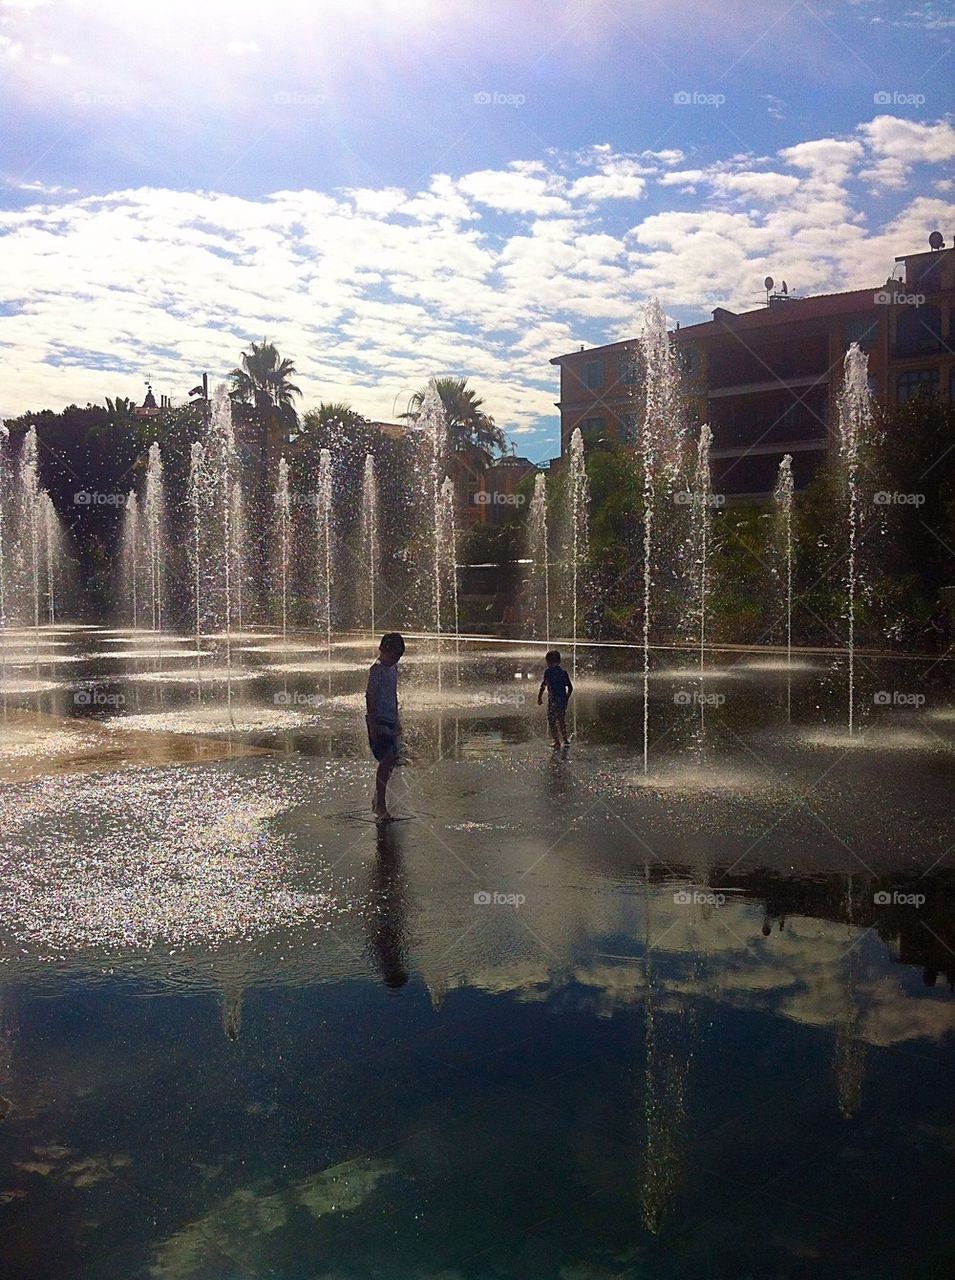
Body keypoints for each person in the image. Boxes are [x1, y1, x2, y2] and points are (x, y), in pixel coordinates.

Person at [366, 632, 405, 820]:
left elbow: (393, 694)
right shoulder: (377, 670)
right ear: (383, 650)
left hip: (390, 719)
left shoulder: (393, 668)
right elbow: (370, 697)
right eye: (393, 655)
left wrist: (397, 719)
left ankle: (377, 798)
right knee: (387, 759)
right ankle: (380, 804)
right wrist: (372, 725)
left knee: (392, 760)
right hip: (379, 721)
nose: (395, 659)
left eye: (398, 656)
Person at [537, 649, 573, 748]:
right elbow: (570, 688)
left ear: (548, 662)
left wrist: (539, 697)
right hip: (562, 700)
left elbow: (543, 685)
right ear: (559, 661)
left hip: (552, 700)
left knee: (552, 720)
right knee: (561, 719)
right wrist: (566, 698)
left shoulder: (548, 672)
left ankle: (557, 741)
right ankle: (565, 739)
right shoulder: (564, 673)